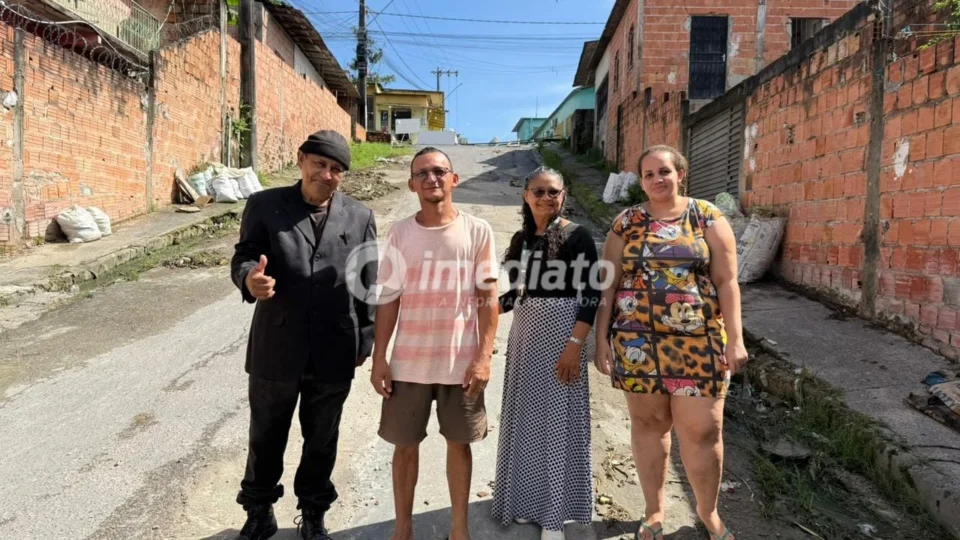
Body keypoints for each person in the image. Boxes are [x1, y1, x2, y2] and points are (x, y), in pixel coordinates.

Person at [593, 145, 748, 540]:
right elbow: (608, 286)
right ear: (640, 181)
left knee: (703, 431)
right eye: (648, 174)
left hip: (699, 343)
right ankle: (654, 510)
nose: (657, 179)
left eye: (664, 171)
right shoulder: (625, 223)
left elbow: (728, 282)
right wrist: (601, 340)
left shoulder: (707, 217)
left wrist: (737, 340)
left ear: (680, 173)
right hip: (637, 346)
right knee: (648, 425)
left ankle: (708, 512)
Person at [230, 130, 378, 540]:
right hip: (276, 346)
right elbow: (244, 255)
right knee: (265, 434)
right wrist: (249, 280)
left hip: (335, 348)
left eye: (336, 170)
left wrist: (366, 339)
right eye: (320, 164)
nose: (327, 174)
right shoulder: (265, 205)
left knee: (322, 438)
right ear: (301, 160)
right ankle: (259, 510)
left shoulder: (360, 216)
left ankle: (313, 512)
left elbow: (370, 281)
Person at [370, 147, 499, 540]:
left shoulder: (478, 231)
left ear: (454, 179)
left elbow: (488, 298)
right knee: (404, 448)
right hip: (409, 364)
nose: (432, 179)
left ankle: (460, 530)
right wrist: (380, 358)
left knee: (459, 446)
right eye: (423, 173)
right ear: (412, 184)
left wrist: (483, 357)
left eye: (440, 171)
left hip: (460, 365)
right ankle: (403, 529)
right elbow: (389, 299)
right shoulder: (401, 233)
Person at [492, 166, 600, 540]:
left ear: (563, 195)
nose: (546, 198)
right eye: (538, 191)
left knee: (557, 421)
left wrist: (575, 347)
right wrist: (479, 307)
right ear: (526, 196)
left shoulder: (577, 236)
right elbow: (513, 295)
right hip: (525, 337)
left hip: (562, 337)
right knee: (527, 419)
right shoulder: (521, 239)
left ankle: (555, 515)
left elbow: (591, 296)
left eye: (553, 192)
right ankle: (525, 501)